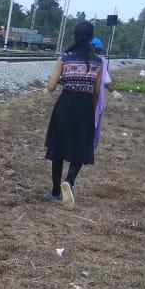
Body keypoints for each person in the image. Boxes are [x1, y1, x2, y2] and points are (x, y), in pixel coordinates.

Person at [44, 20, 103, 209]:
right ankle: (69, 181)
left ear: (74, 36)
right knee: (81, 146)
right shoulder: (98, 62)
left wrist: (64, 80)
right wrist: (92, 110)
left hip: (65, 104)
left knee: (58, 147)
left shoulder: (64, 58)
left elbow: (51, 87)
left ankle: (55, 191)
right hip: (85, 106)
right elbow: (96, 92)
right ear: (92, 38)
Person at [90, 37, 117, 150]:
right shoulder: (88, 60)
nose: (97, 53)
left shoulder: (101, 61)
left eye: (98, 51)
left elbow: (105, 78)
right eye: (96, 50)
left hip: (96, 100)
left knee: (93, 125)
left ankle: (88, 148)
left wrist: (113, 91)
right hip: (89, 99)